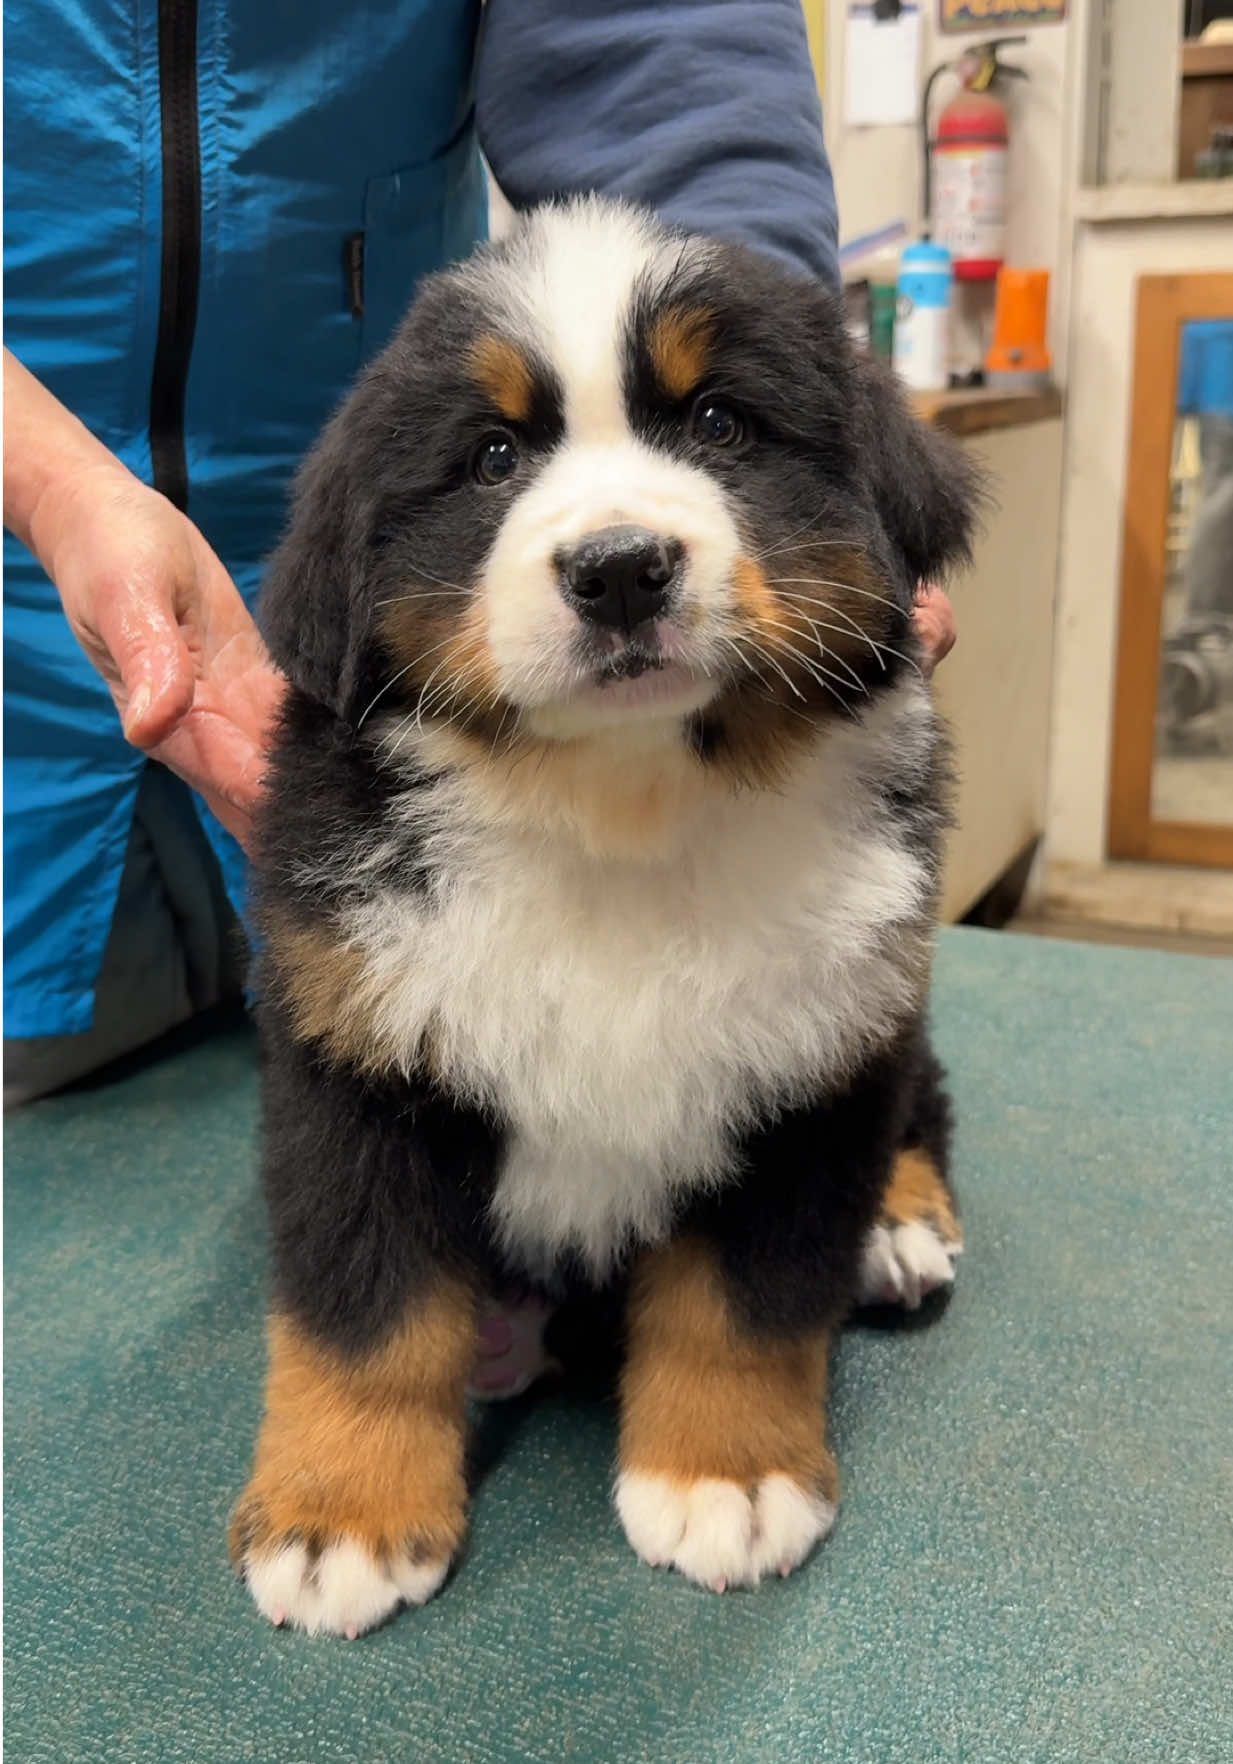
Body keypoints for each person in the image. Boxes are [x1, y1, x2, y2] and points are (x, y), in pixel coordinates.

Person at [3, 0, 952, 1104]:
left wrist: (793, 422)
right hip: (100, 688)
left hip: (480, 737)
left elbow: (667, 54)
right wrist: (51, 484)